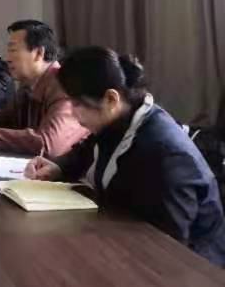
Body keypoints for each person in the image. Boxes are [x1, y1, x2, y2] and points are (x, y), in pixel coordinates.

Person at [24, 47, 225, 267]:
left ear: (111, 98)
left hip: (191, 266)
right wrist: (59, 167)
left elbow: (169, 246)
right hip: (122, 239)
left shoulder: (165, 154)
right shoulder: (119, 120)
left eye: (77, 103)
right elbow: (88, 149)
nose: (72, 112)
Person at [0, 20, 89, 157]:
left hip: (60, 169)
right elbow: (11, 115)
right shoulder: (29, 83)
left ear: (38, 53)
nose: (7, 58)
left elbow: (48, 143)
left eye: (13, 50)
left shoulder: (65, 86)